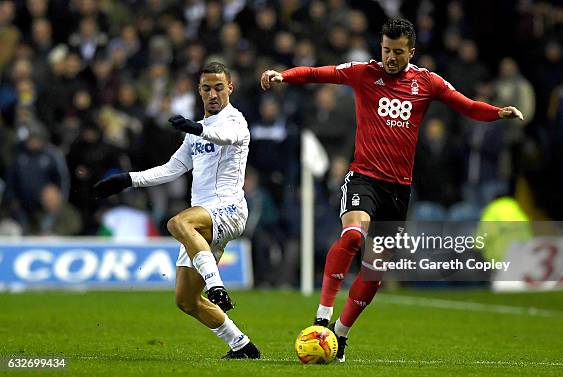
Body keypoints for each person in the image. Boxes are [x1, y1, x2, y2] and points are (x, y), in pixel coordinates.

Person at [261, 17, 523, 363]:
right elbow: (318, 73)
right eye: (386, 50)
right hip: (363, 178)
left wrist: (499, 112)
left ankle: (339, 335)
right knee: (353, 236)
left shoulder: (427, 82)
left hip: (398, 191)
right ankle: (322, 315)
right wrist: (285, 75)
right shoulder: (364, 73)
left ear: (410, 51)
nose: (390, 58)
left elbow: (466, 105)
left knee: (375, 270)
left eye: (398, 52)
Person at [93, 62, 260, 359]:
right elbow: (173, 168)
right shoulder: (196, 132)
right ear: (199, 91)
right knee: (185, 300)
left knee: (176, 223)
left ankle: (216, 284)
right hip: (203, 219)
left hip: (230, 209)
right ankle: (243, 346)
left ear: (230, 89)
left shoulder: (236, 121)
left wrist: (196, 128)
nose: (213, 94)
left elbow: (227, 137)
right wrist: (128, 180)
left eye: (219, 88)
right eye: (207, 88)